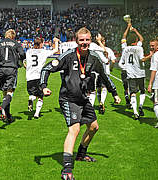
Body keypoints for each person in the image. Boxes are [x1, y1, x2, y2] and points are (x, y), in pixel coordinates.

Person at [40, 27, 121, 180]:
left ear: (90, 41)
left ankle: (81, 155)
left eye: (87, 40)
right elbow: (46, 69)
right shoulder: (69, 56)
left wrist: (115, 93)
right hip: (68, 98)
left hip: (83, 99)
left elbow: (104, 76)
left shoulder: (94, 57)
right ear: (77, 41)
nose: (84, 43)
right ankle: (67, 169)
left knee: (94, 127)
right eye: (81, 40)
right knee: (74, 129)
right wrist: (43, 87)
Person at [0, 29, 26, 123]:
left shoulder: (0, 42)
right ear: (13, 36)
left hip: (1, 69)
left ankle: (7, 115)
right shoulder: (16, 43)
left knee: (4, 92)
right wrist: (20, 60)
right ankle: (2, 107)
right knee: (10, 92)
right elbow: (22, 54)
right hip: (11, 69)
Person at [25, 37, 59, 118]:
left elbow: (24, 60)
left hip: (29, 76)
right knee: (40, 96)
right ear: (41, 44)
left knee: (32, 93)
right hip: (39, 76)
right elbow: (55, 50)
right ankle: (36, 113)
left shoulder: (28, 51)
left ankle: (31, 98)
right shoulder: (43, 52)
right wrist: (56, 41)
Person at [119, 25, 145, 120]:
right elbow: (142, 39)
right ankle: (140, 105)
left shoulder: (124, 47)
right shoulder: (139, 47)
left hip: (126, 70)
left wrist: (127, 27)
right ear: (136, 40)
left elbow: (123, 37)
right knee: (142, 90)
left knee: (128, 89)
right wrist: (136, 30)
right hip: (138, 71)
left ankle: (133, 109)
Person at [95, 33, 117, 114]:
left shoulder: (95, 49)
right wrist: (111, 68)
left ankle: (99, 103)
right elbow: (113, 61)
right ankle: (102, 102)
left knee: (98, 88)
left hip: (96, 72)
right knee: (104, 88)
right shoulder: (108, 50)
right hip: (105, 72)